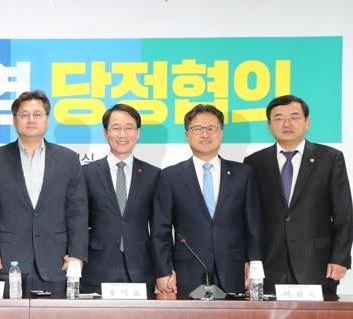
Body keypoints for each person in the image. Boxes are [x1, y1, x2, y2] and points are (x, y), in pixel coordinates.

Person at [0, 90, 87, 294]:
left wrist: (77, 255)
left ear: (47, 119)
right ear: (14, 120)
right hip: (9, 261)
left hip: (57, 262)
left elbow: (77, 211)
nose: (31, 120)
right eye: (24, 115)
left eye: (37, 114)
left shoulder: (68, 159)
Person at [244, 95, 352, 295]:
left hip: (317, 265)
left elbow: (344, 214)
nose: (286, 124)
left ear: (307, 122)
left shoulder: (330, 158)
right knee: (269, 316)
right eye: (278, 118)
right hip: (269, 265)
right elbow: (249, 218)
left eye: (294, 117)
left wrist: (340, 258)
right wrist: (250, 260)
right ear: (269, 125)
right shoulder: (254, 162)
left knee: (318, 317)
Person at [152, 104, 262, 295]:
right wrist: (163, 271)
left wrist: (254, 267)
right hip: (187, 272)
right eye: (198, 129)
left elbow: (253, 225)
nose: (205, 134)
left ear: (221, 132)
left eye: (212, 128)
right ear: (187, 134)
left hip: (235, 270)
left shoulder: (243, 173)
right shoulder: (170, 176)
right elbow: (160, 230)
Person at [80, 104, 160, 294]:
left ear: (138, 133)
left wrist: (163, 269)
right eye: (116, 128)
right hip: (97, 267)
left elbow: (159, 228)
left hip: (141, 269)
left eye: (128, 127)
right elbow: (77, 221)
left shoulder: (153, 175)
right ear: (105, 133)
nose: (122, 134)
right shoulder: (86, 173)